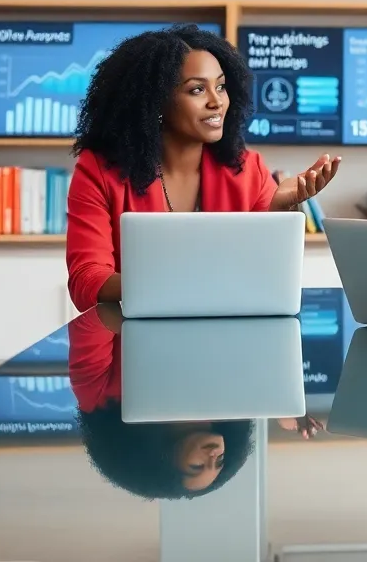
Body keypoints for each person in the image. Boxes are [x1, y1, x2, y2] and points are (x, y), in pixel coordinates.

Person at [65, 24, 340, 311]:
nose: (217, 101)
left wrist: (279, 209)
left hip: (230, 336)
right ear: (155, 103)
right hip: (134, 340)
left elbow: (268, 272)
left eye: (220, 86)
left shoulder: (248, 169)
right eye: (197, 89)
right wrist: (180, 281)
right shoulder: (98, 169)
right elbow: (87, 281)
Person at [69, 303, 255, 499]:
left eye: (197, 466)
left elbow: (94, 318)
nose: (213, 456)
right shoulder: (228, 396)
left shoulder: (100, 398)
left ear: (159, 459)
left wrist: (157, 330)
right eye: (219, 462)